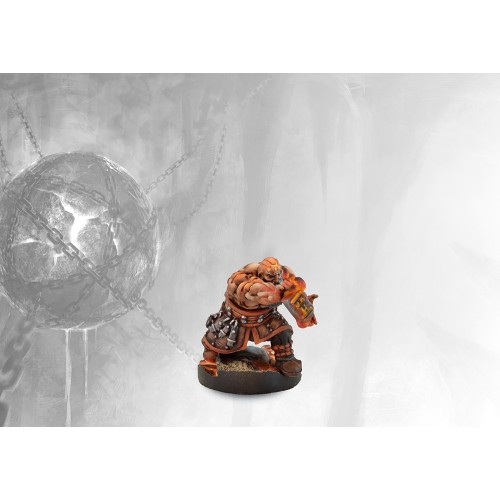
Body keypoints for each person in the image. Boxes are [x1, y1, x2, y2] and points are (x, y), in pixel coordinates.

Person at [201, 256, 318, 377]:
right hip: (236, 321)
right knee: (215, 343)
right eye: (271, 276)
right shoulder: (245, 281)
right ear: (261, 274)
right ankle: (210, 361)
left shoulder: (281, 274)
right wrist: (284, 291)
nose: (276, 279)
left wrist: (304, 308)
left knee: (283, 331)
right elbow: (266, 294)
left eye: (278, 274)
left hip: (266, 317)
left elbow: (293, 287)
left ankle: (285, 360)